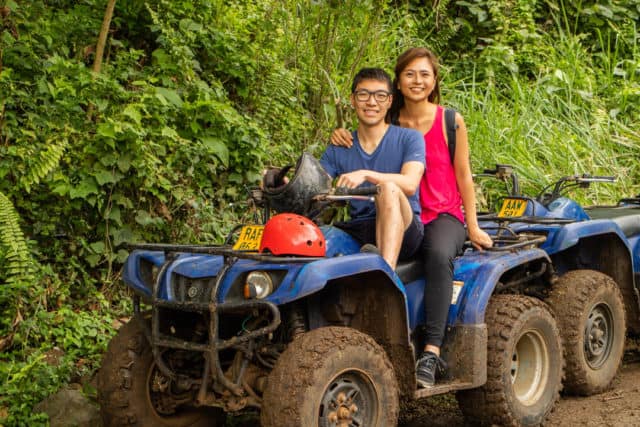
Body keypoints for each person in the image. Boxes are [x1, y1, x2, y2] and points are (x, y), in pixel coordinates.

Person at [330, 48, 493, 388]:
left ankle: (431, 351)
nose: (418, 81)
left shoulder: (450, 120)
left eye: (425, 75)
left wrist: (473, 225)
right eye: (410, 74)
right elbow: (366, 137)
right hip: (399, 213)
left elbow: (464, 175)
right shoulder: (387, 120)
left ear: (434, 81)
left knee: (437, 255)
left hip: (442, 213)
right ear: (398, 84)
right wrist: (340, 136)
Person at [320, 67, 425, 270]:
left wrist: (366, 174)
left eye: (380, 95)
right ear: (353, 100)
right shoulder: (340, 147)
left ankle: (386, 275)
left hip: (405, 228)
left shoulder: (410, 138)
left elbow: (410, 184)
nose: (371, 102)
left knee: (388, 188)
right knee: (321, 240)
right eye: (363, 94)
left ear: (389, 101)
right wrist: (285, 185)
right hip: (359, 229)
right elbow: (317, 185)